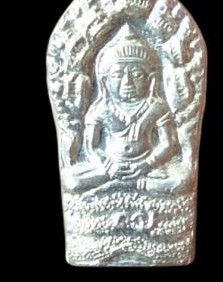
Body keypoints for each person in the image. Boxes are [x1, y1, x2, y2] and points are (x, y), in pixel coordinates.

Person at [61, 24, 191, 194]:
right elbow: (91, 147)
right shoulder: (101, 108)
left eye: (137, 74)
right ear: (104, 80)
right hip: (111, 168)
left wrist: (146, 164)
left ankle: (128, 185)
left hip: (147, 167)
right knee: (70, 180)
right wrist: (108, 165)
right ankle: (128, 182)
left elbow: (168, 144)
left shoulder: (156, 107)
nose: (127, 82)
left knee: (183, 180)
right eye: (117, 75)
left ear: (151, 79)